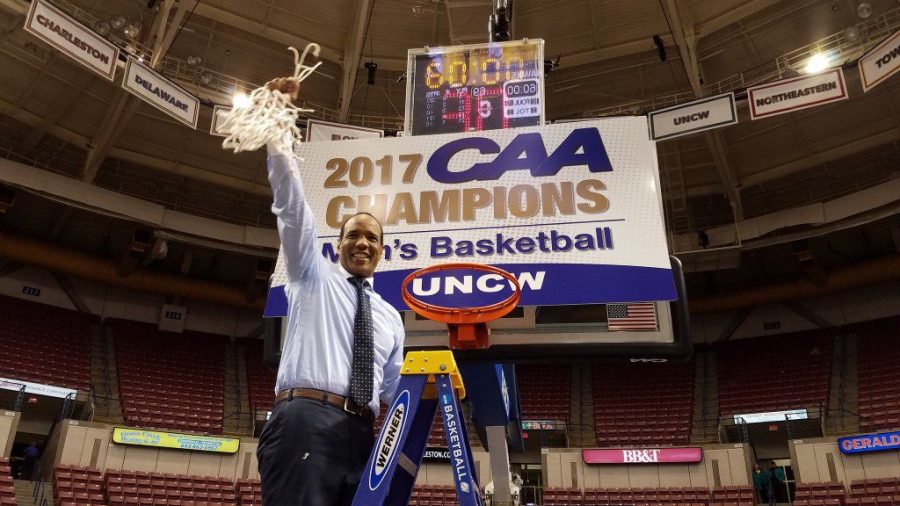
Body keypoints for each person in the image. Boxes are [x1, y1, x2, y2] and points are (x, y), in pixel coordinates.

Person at [255, 77, 405, 505]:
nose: (363, 243)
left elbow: (395, 393)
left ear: (381, 250)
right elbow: (290, 205)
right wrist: (280, 124)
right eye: (353, 235)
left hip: (363, 435)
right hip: (305, 420)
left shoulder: (391, 318)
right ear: (336, 246)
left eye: (372, 238)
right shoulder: (311, 275)